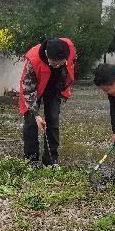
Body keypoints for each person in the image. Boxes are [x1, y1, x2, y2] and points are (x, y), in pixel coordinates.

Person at [18, 37, 77, 168]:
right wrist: (36, 115)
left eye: (61, 63)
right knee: (31, 122)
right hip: (35, 88)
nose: (57, 66)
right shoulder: (32, 61)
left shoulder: (69, 50)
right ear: (46, 54)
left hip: (54, 87)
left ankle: (51, 160)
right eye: (54, 63)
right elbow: (28, 91)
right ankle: (31, 159)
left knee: (53, 120)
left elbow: (71, 68)